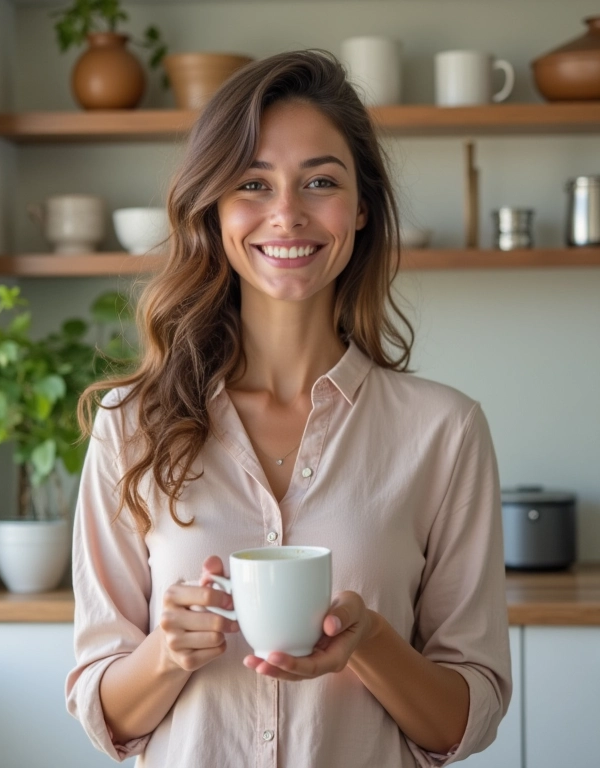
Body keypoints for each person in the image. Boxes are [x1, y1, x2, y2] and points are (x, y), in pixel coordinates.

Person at [65, 49, 512, 768]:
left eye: (320, 181)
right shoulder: (131, 425)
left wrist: (370, 645)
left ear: (362, 208)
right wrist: (165, 654)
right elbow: (103, 711)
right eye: (253, 182)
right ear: (212, 206)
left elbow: (467, 719)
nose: (287, 213)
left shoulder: (445, 431)